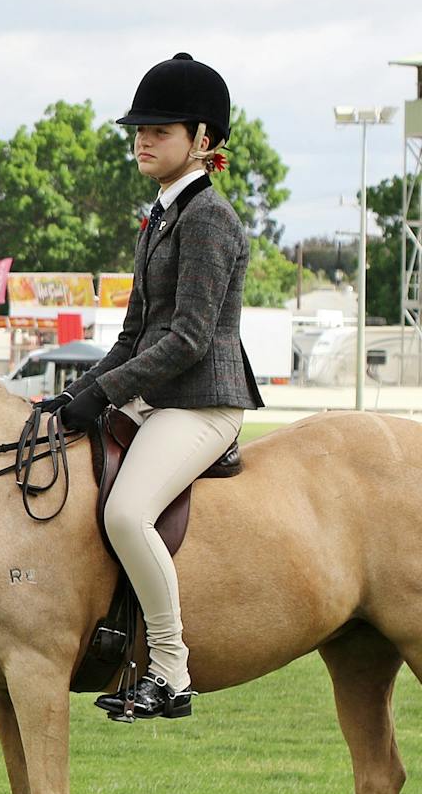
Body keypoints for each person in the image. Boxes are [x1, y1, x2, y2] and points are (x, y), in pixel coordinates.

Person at [44, 53, 264, 721]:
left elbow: (188, 339)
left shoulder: (208, 219)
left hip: (204, 401)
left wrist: (108, 395)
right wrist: (80, 393)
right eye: (138, 129)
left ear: (203, 140)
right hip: (163, 394)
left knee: (125, 512)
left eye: (160, 130)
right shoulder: (161, 214)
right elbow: (135, 333)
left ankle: (169, 668)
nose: (142, 139)